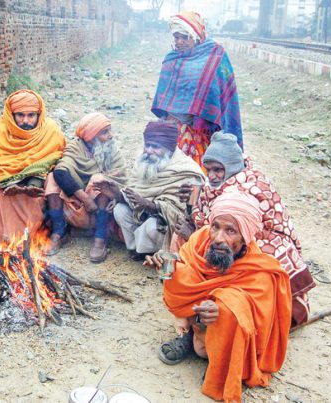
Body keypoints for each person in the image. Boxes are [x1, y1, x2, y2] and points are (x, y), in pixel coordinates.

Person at [146, 191, 292, 402]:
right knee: (178, 271)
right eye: (216, 227)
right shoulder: (200, 239)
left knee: (230, 305)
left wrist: (220, 311)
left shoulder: (261, 273)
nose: (218, 238)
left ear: (246, 235)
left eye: (230, 231)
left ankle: (223, 363)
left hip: (227, 329)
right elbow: (184, 271)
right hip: (198, 318)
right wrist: (166, 265)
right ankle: (190, 335)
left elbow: (260, 324)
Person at [173, 131, 315, 326]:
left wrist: (197, 234)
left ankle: (241, 309)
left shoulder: (250, 187)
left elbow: (236, 231)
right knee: (182, 238)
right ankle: (195, 299)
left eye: (218, 170)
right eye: (208, 170)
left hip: (261, 241)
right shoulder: (220, 183)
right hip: (231, 236)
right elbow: (210, 213)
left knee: (213, 250)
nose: (212, 176)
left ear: (230, 166)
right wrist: (192, 205)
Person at [95, 122, 203, 260]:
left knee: (151, 226)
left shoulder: (186, 170)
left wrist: (149, 205)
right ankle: (138, 249)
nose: (149, 151)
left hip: (166, 224)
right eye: (147, 145)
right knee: (120, 210)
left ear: (170, 148)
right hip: (143, 214)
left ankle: (159, 253)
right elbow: (134, 193)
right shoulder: (143, 161)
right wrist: (117, 194)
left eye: (156, 147)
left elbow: (183, 213)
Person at [151, 11, 243, 169]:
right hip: (175, 129)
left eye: (184, 37)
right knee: (171, 172)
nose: (179, 41)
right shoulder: (171, 59)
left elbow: (224, 94)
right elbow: (164, 97)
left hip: (203, 130)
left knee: (200, 172)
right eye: (176, 37)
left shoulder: (216, 56)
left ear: (196, 36)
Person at [45, 112, 127, 262]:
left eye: (110, 130)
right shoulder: (75, 147)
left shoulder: (113, 152)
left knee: (100, 180)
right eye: (104, 132)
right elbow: (61, 171)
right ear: (91, 136)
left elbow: (121, 182)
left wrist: (116, 197)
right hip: (77, 207)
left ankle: (100, 238)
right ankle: (59, 232)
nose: (110, 136)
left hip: (101, 212)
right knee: (52, 177)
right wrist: (85, 200)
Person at [0, 89, 66, 242]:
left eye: (31, 115)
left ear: (39, 114)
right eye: (20, 115)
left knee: (42, 186)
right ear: (11, 116)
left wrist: (38, 170)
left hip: (40, 173)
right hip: (12, 172)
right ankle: (9, 238)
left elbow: (57, 155)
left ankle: (33, 236)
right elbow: (3, 159)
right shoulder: (4, 128)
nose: (25, 121)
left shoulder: (50, 129)